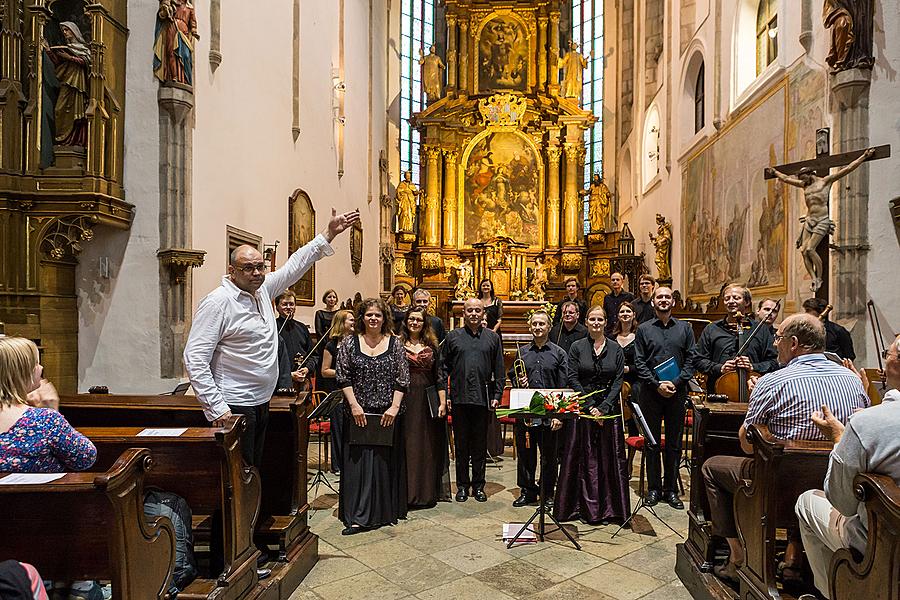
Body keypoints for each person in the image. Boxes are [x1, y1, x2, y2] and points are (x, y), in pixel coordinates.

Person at [184, 208, 359, 467]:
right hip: (233, 404)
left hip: (262, 400)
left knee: (253, 471)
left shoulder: (264, 289)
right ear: (232, 270)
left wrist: (328, 233)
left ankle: (255, 509)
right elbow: (195, 358)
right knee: (236, 476)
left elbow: (296, 264)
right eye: (248, 268)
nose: (256, 273)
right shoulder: (218, 303)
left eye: (260, 267)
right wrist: (217, 408)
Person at [701, 313, 869, 584]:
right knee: (804, 471)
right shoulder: (852, 380)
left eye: (778, 338)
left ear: (793, 343)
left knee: (711, 467)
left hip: (775, 488)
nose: (774, 345)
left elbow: (746, 445)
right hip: (834, 485)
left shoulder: (773, 380)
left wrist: (757, 395)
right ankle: (793, 559)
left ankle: (737, 556)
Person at [794, 333, 900, 600]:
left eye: (887, 353)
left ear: (896, 364)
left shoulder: (867, 424)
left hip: (882, 544)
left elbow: (843, 502)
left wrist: (840, 437)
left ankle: (833, 592)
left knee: (807, 502)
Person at [335, 298, 410, 534]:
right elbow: (343, 376)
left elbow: (402, 378)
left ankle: (383, 513)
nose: (373, 319)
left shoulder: (395, 344)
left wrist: (395, 407)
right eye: (369, 315)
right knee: (359, 466)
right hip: (359, 414)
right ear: (362, 318)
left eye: (377, 315)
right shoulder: (349, 343)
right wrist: (354, 405)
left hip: (387, 414)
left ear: (384, 318)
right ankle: (358, 516)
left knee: (383, 464)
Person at [556, 306, 629, 525]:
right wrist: (590, 406)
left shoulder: (616, 349)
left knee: (608, 460)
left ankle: (609, 510)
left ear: (606, 322)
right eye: (592, 319)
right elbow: (572, 377)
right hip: (584, 411)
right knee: (582, 460)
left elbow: (618, 380)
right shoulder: (577, 347)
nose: (596, 323)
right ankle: (580, 508)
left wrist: (604, 407)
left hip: (608, 412)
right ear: (586, 322)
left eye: (600, 319)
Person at [634, 286, 696, 509]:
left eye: (667, 297)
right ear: (653, 302)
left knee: (674, 444)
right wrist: (656, 384)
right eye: (659, 297)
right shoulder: (643, 329)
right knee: (652, 443)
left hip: (677, 393)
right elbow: (639, 361)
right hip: (651, 394)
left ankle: (670, 490)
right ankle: (653, 489)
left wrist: (676, 382)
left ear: (673, 302)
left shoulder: (685, 328)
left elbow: (691, 359)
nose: (663, 300)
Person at [0, 337, 96, 473]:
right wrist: (51, 411)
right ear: (22, 373)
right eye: (36, 363)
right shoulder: (43, 420)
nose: (41, 367)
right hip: (34, 494)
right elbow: (85, 458)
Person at [443, 298, 504, 503]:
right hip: (459, 398)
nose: (474, 314)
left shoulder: (492, 338)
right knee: (461, 446)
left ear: (483, 312)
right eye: (470, 310)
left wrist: (497, 396)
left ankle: (478, 486)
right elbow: (443, 369)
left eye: (478, 310)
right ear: (463, 312)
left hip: (483, 398)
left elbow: (499, 370)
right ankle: (462, 486)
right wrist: (446, 395)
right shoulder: (453, 337)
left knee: (479, 445)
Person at [508, 310, 566, 507]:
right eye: (535, 324)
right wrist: (518, 379)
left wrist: (559, 416)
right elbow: (512, 375)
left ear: (549, 327)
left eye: (542, 324)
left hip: (550, 413)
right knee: (526, 454)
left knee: (549, 456)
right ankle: (528, 491)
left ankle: (548, 493)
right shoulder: (522, 352)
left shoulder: (559, 353)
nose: (538, 327)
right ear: (530, 327)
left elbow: (563, 385)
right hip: (527, 412)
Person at [401, 308, 450, 508]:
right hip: (404, 397)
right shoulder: (396, 343)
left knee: (426, 445)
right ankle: (406, 493)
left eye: (418, 320)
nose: (414, 322)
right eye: (411, 319)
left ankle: (426, 492)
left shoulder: (432, 344)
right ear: (406, 321)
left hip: (427, 399)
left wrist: (442, 401)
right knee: (408, 445)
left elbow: (439, 376)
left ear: (424, 323)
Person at [694, 284, 779, 394]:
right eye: (727, 298)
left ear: (747, 302)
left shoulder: (760, 329)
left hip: (753, 391)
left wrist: (753, 366)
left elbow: (774, 362)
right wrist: (719, 368)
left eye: (736, 298)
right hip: (717, 391)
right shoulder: (712, 329)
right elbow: (698, 359)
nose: (731, 301)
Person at [319, 309, 355, 474]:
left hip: (355, 392)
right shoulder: (331, 345)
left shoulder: (357, 342)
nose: (354, 322)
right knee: (339, 429)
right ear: (342, 323)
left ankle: (351, 463)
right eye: (350, 320)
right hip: (338, 392)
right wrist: (343, 373)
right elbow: (325, 371)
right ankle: (338, 465)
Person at [274, 290, 317, 391]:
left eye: (291, 304)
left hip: (303, 384)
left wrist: (307, 369)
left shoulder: (302, 328)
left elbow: (313, 355)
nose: (289, 307)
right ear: (277, 307)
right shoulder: (272, 328)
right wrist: (288, 375)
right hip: (281, 385)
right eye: (284, 304)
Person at [613, 301, 640, 437]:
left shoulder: (639, 337)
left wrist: (628, 369)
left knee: (635, 394)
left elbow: (643, 364)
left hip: (634, 379)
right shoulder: (612, 338)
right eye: (622, 312)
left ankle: (634, 437)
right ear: (618, 316)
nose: (625, 314)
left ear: (633, 315)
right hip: (616, 380)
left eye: (628, 311)